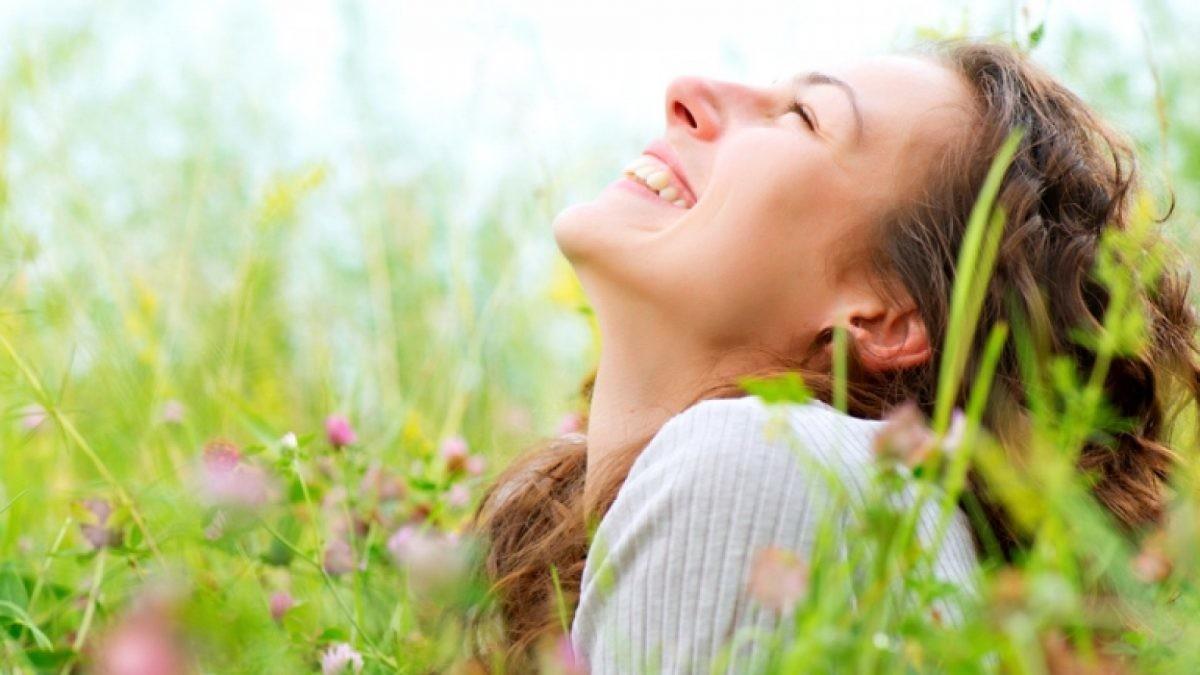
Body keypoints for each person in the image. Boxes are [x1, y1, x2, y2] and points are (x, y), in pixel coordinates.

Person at [466, 39, 1200, 674]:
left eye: (803, 116)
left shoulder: (756, 463)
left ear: (883, 316)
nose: (687, 93)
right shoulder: (822, 497)